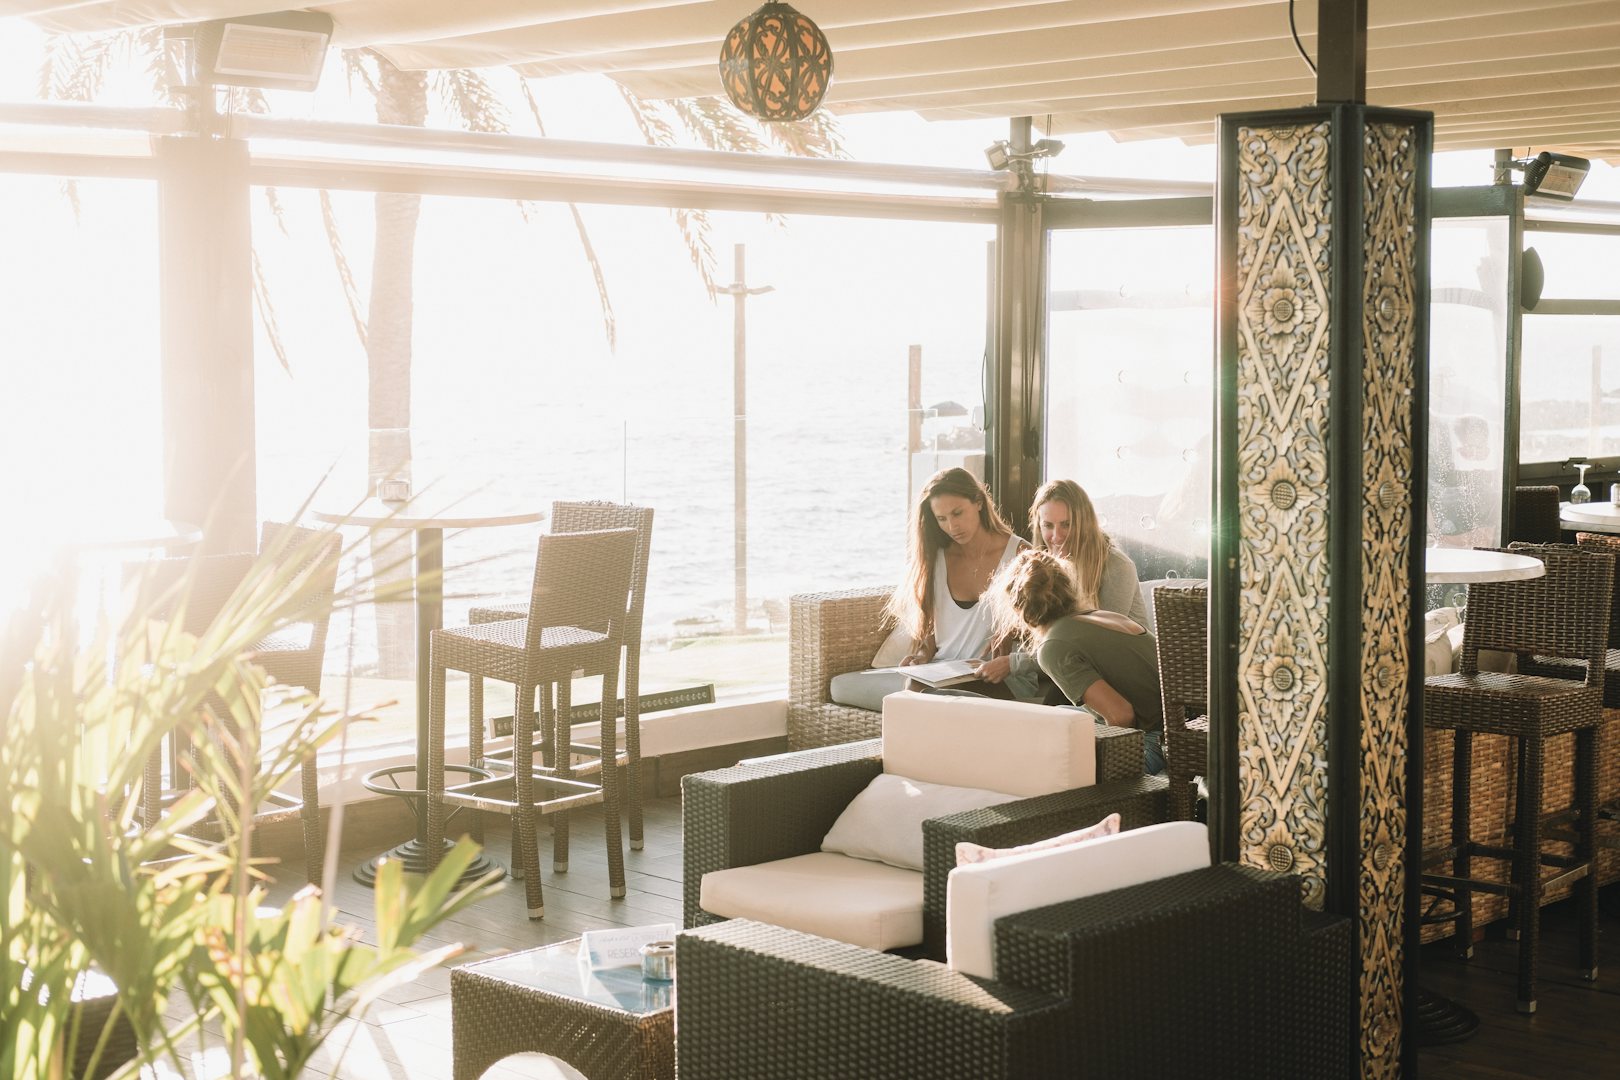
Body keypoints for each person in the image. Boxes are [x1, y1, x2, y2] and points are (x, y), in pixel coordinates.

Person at [990, 548, 1166, 774]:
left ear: (1017, 608)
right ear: (1068, 586)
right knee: (1051, 718)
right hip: (1178, 728)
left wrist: (1114, 763)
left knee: (1031, 760)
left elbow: (1121, 715)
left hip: (1154, 743)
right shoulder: (1098, 616)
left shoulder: (1053, 647)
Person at [979, 479, 1147, 699]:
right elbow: (1056, 634)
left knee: (1048, 699)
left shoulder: (1117, 566)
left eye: (1066, 524)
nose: (1056, 537)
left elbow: (1094, 646)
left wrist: (1013, 663)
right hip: (1071, 671)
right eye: (1048, 526)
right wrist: (1012, 632)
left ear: (1085, 523)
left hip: (1117, 679)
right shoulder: (1048, 567)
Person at [888, 467, 1027, 694]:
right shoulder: (936, 558)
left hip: (996, 675)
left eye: (958, 513)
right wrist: (921, 657)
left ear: (979, 503)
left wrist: (1008, 643)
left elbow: (1042, 628)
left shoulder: (1019, 553)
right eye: (941, 519)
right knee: (913, 687)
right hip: (945, 671)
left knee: (926, 699)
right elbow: (936, 629)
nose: (952, 527)